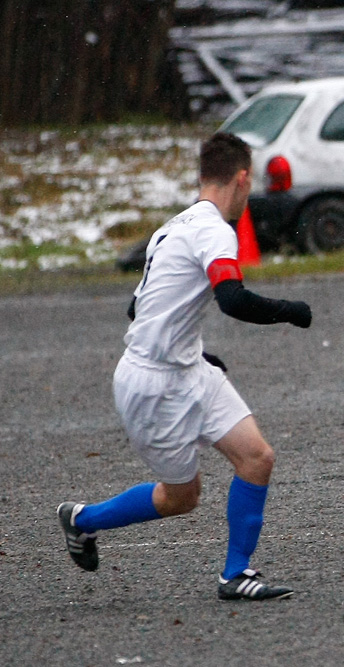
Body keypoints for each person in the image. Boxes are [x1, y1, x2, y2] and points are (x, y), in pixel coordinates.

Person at [57, 132, 312, 600]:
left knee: (257, 457)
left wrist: (191, 351)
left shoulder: (174, 225)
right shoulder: (214, 228)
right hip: (152, 384)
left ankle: (236, 575)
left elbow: (139, 308)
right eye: (248, 181)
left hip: (188, 369)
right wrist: (290, 310)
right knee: (181, 498)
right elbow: (232, 299)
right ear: (241, 178)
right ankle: (81, 519)